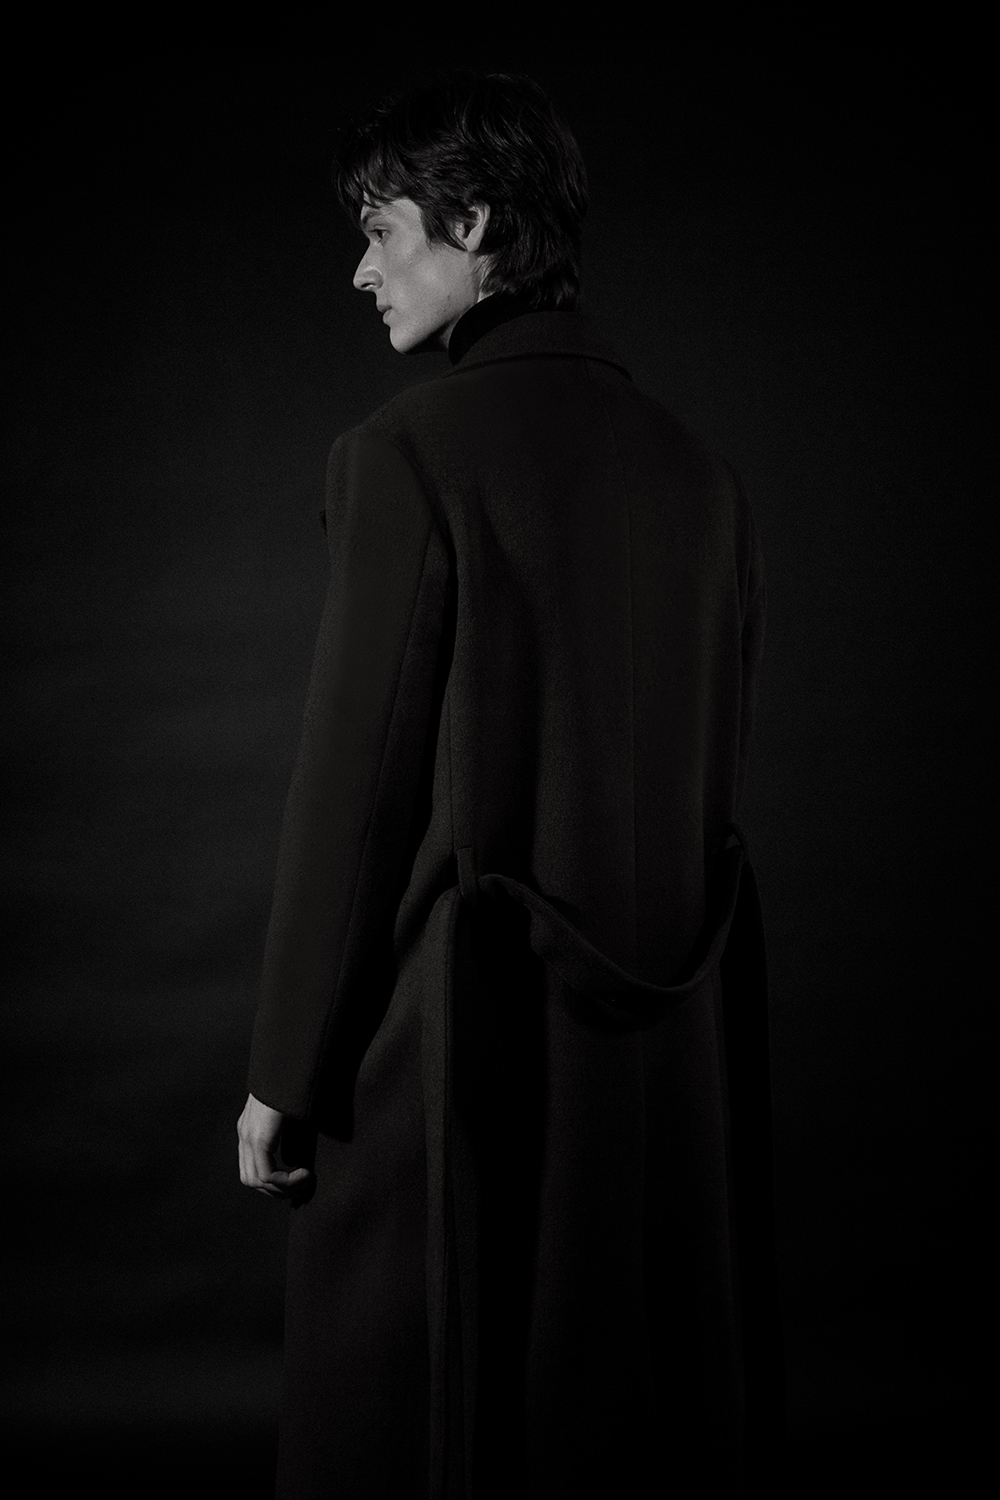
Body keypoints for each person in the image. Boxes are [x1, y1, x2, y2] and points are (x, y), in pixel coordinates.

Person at [238, 70, 779, 1499]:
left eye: (381, 231)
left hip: (456, 1064)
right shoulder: (704, 478)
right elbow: (712, 780)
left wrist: (284, 1074)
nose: (361, 273)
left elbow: (355, 791)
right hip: (659, 1083)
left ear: (471, 223)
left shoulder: (404, 456)